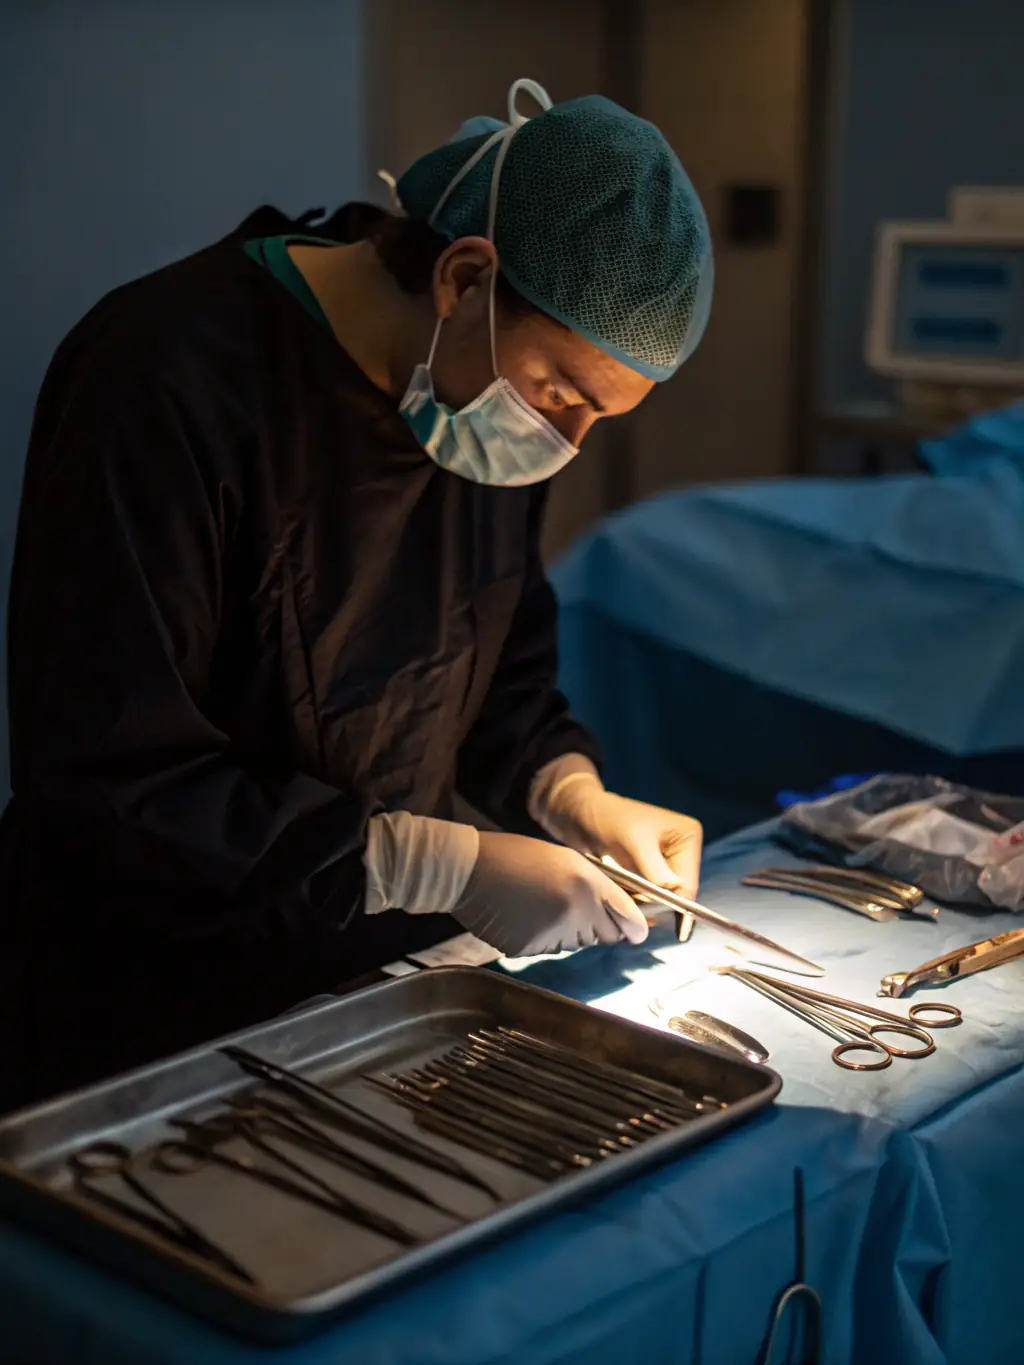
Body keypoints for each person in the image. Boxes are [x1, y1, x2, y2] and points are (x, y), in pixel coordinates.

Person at [0, 79, 713, 1110]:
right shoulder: (164, 379)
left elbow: (499, 680)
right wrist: (439, 866)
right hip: (139, 1008)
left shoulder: (478, 412)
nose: (564, 439)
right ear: (465, 279)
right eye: (561, 392)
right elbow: (113, 775)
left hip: (366, 983)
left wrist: (570, 792)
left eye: (599, 415)